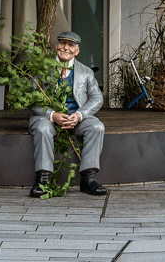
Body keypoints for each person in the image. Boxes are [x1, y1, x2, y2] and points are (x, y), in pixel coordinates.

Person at [30, 31, 107, 197]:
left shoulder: (86, 73)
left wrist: (79, 115)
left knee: (96, 127)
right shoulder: (42, 69)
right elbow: (30, 98)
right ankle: (43, 179)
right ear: (56, 46)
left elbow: (97, 98)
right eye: (62, 43)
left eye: (70, 45)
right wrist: (53, 115)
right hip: (48, 118)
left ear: (77, 51)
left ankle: (88, 178)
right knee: (42, 129)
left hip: (75, 118)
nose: (65, 47)